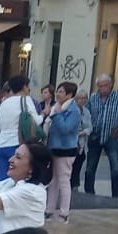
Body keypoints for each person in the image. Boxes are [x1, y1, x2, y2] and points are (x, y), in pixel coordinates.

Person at [80, 75, 118, 198]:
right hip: (95, 135)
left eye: (105, 85)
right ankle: (89, 192)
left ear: (110, 85)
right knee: (90, 167)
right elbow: (86, 113)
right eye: (100, 86)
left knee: (115, 166)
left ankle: (117, 195)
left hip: (111, 136)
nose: (103, 88)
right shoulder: (93, 98)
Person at [45, 82, 81, 222]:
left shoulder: (73, 110)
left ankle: (64, 212)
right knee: (53, 181)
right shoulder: (57, 107)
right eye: (58, 91)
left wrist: (56, 116)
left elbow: (66, 129)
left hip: (66, 150)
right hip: (54, 148)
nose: (57, 94)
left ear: (69, 94)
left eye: (61, 91)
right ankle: (50, 209)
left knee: (64, 181)